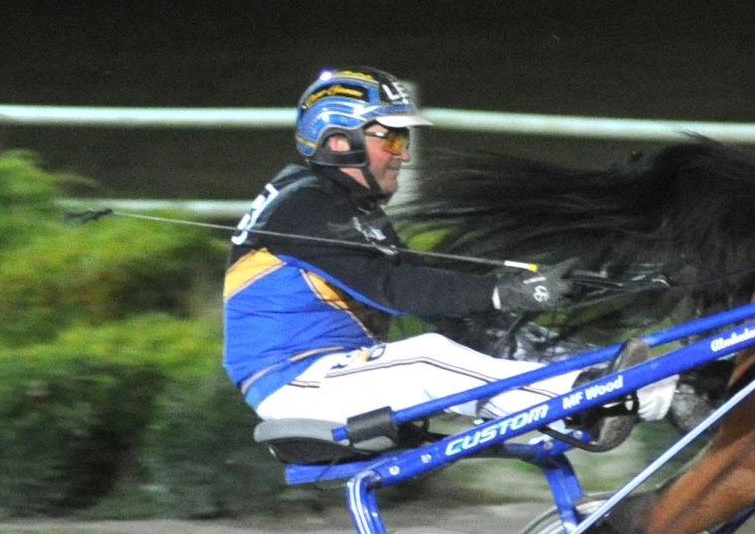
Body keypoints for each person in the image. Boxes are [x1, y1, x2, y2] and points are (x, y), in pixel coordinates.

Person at [224, 66, 667, 445]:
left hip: (337, 374)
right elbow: (395, 289)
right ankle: (584, 401)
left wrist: (533, 290)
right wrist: (506, 292)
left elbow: (425, 282)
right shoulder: (304, 207)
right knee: (426, 357)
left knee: (492, 335)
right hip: (295, 383)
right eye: (391, 140)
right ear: (338, 141)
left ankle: (662, 391)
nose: (405, 154)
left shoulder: (342, 207)